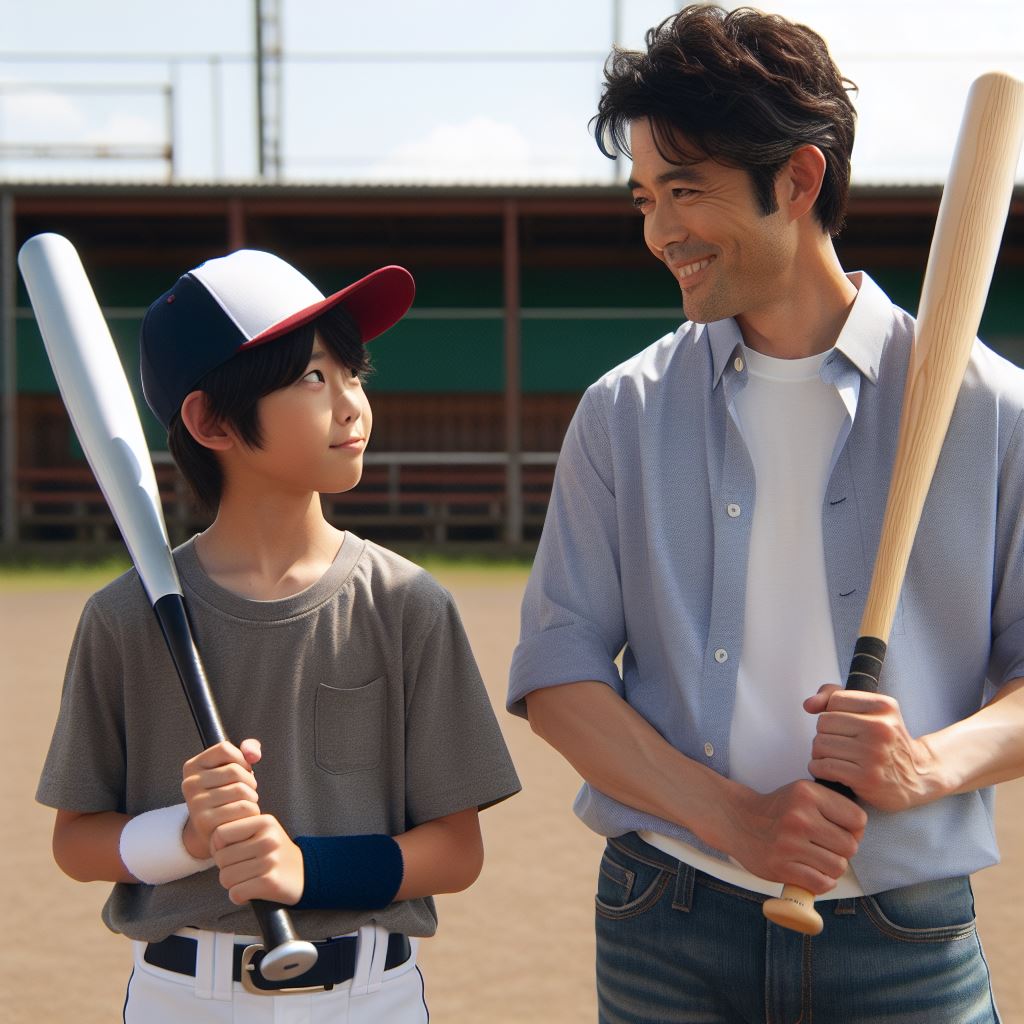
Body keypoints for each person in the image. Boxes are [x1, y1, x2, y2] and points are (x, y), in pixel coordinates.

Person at [507, 6, 1024, 1023]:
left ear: (797, 178)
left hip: (904, 932)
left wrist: (922, 762)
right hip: (666, 913)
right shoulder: (625, 410)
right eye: (645, 198)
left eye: (685, 190)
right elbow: (559, 677)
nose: (659, 231)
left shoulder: (992, 411)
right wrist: (736, 820)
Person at [37, 248, 521, 1023]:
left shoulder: (405, 602)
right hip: (182, 995)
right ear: (212, 420)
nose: (351, 403)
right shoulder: (123, 617)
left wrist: (308, 868)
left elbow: (457, 852)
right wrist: (185, 837)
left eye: (353, 373)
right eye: (312, 378)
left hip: (371, 996)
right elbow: (76, 843)